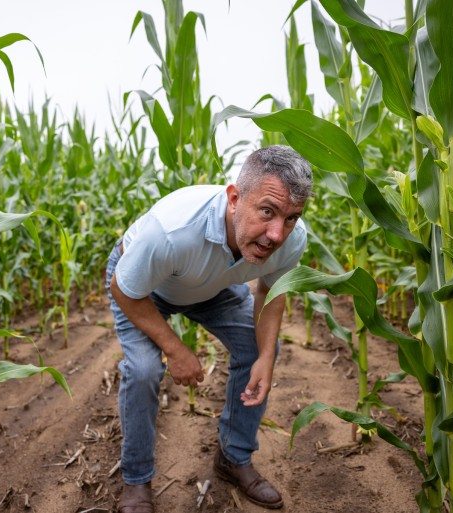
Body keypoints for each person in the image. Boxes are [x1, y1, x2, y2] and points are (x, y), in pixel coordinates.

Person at [105, 145, 312, 512]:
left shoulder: (290, 240)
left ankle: (234, 457)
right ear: (234, 198)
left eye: (292, 217)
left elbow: (270, 291)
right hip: (144, 287)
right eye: (267, 211)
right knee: (143, 369)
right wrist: (175, 348)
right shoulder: (171, 231)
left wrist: (265, 356)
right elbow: (124, 289)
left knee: (258, 350)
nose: (277, 234)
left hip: (212, 285)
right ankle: (136, 481)